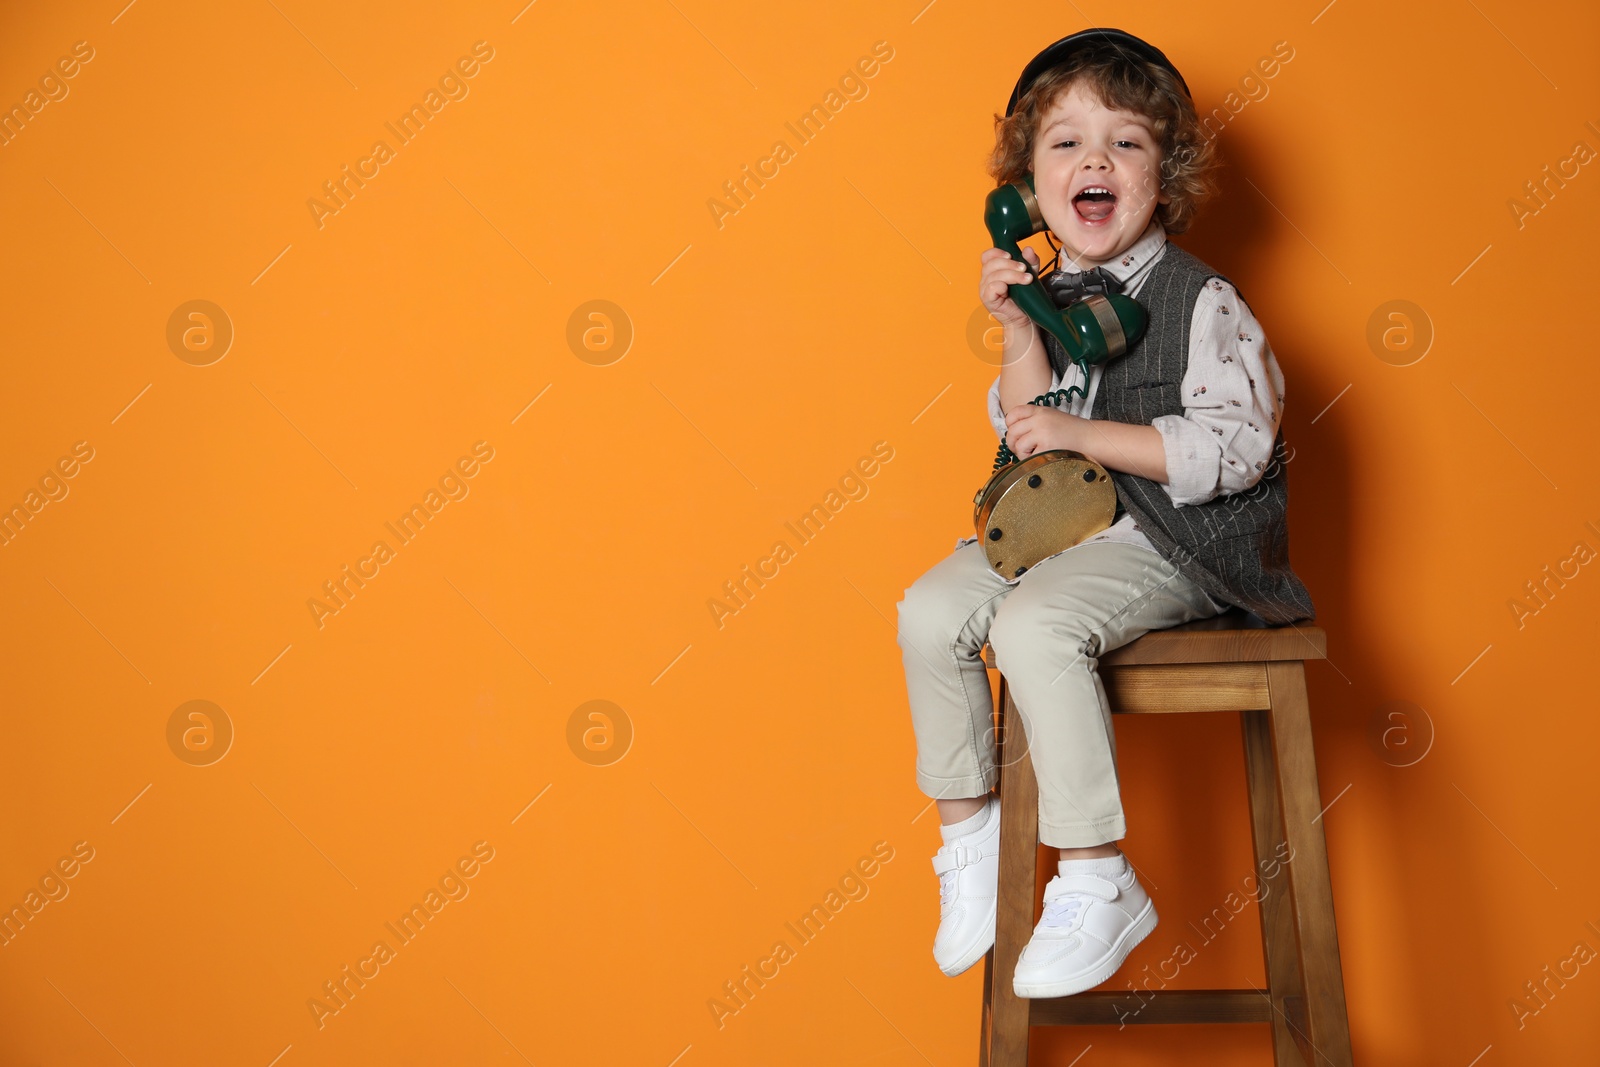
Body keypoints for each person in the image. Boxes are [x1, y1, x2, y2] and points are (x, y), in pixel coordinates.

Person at [896, 28, 1316, 999]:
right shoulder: (1052, 293)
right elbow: (1025, 423)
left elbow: (1234, 447)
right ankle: (970, 835)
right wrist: (1017, 329)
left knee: (1033, 623)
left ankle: (1094, 871)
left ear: (1162, 179)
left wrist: (1090, 439)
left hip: (1173, 538)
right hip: (1064, 528)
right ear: (1025, 191)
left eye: (1124, 143)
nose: (1093, 159)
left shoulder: (1200, 299)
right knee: (926, 609)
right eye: (1065, 144)